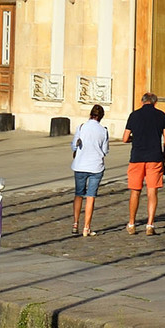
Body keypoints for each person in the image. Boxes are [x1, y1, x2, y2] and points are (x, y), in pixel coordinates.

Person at [123, 91, 165, 236]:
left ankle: (132, 223)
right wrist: (164, 154)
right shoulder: (161, 115)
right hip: (154, 157)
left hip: (137, 157)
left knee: (135, 191)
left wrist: (135, 139)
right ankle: (150, 225)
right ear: (155, 102)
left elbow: (125, 138)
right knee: (152, 191)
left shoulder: (134, 115)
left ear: (142, 101)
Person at [70, 102, 109, 239]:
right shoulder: (103, 131)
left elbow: (74, 146)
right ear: (101, 117)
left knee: (78, 194)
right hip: (96, 166)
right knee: (91, 196)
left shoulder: (81, 127)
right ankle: (87, 227)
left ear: (90, 114)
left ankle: (75, 223)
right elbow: (105, 151)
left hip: (80, 165)